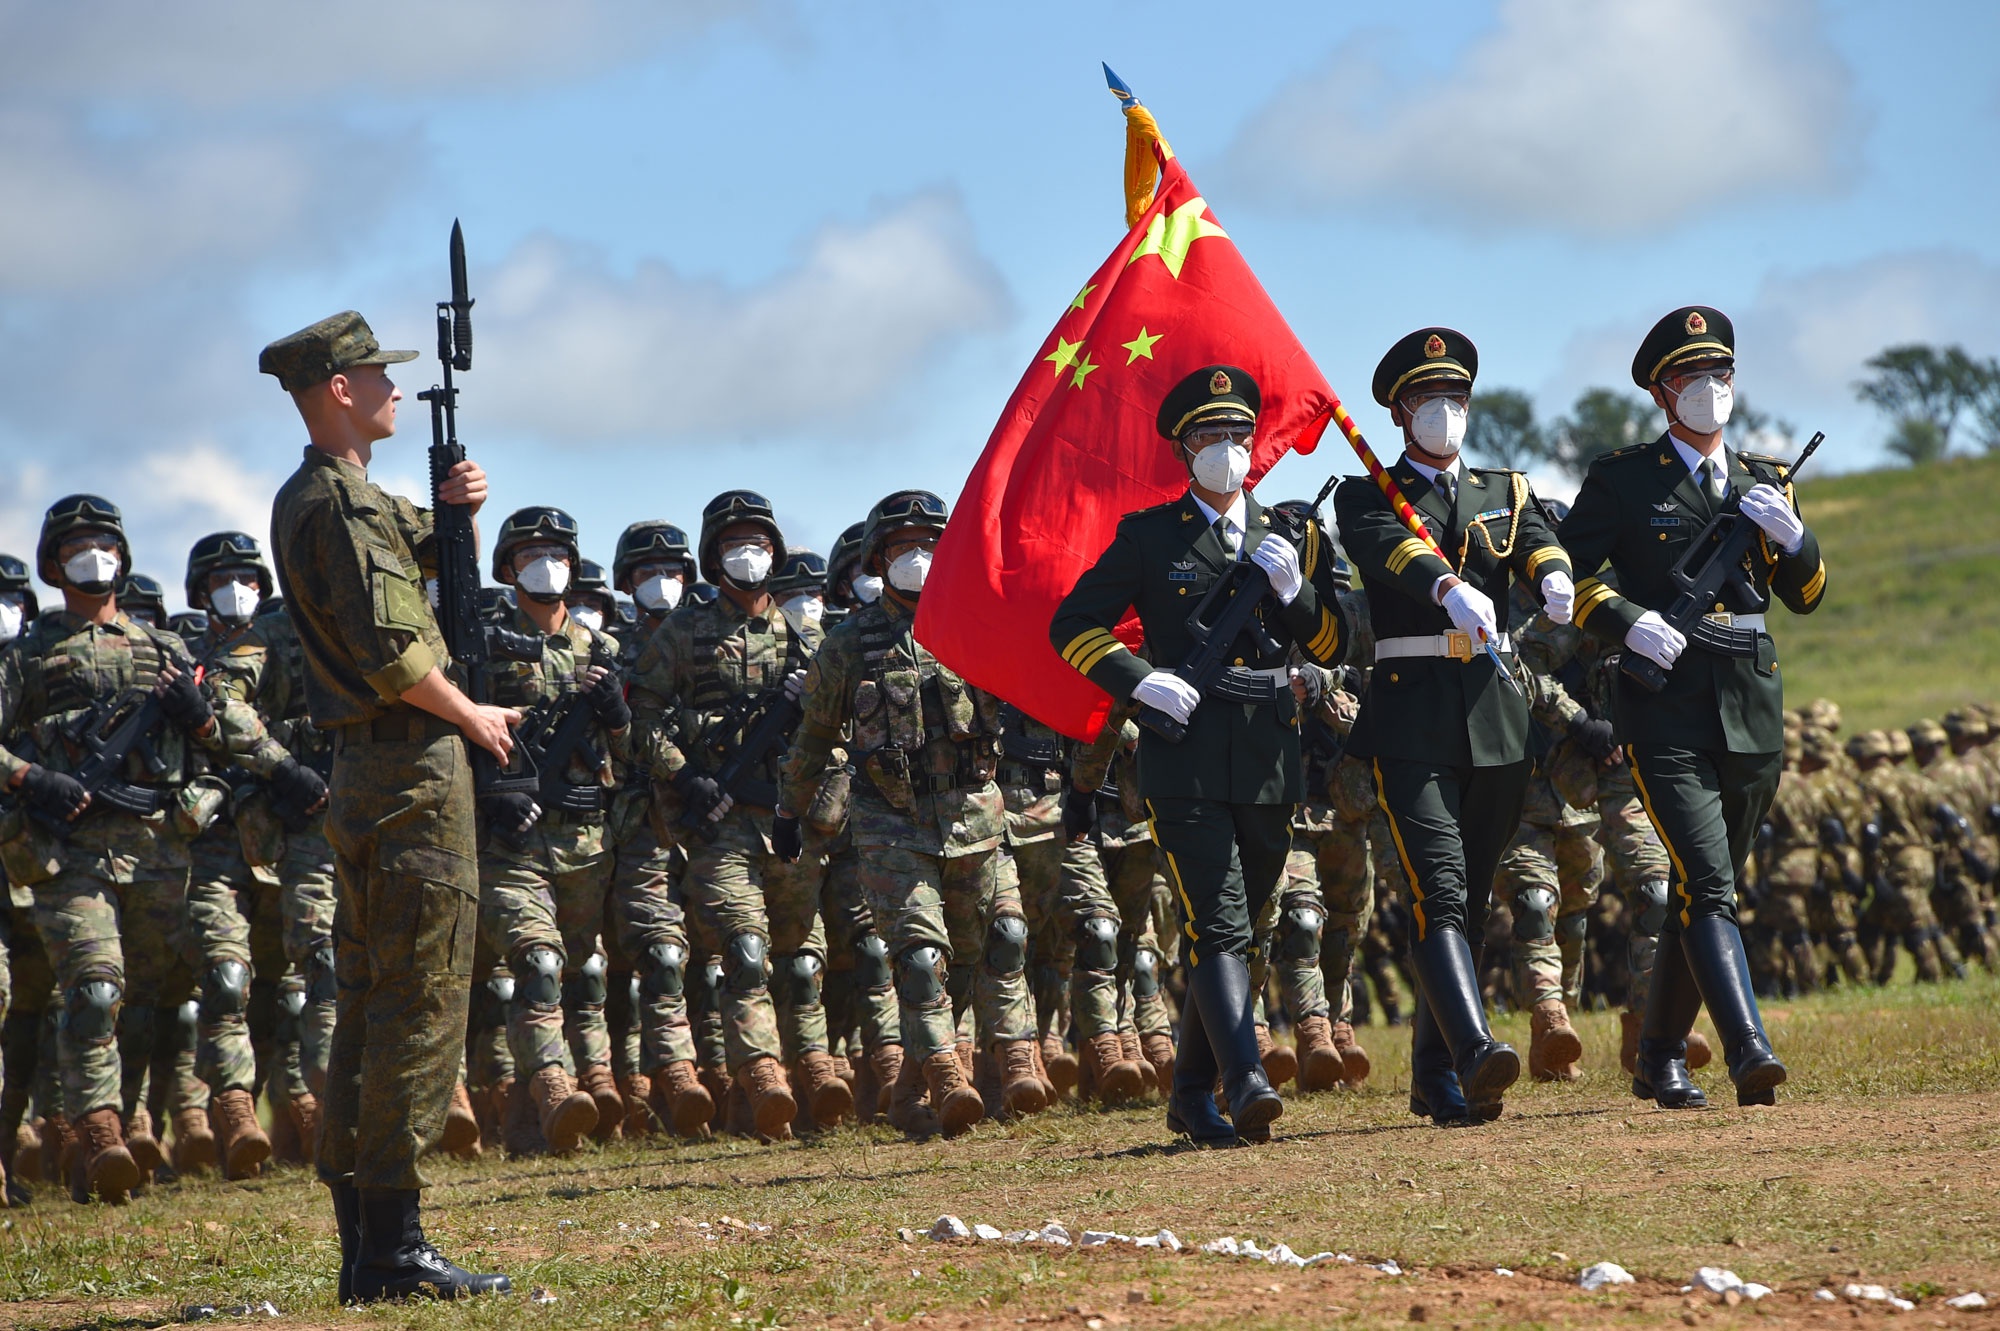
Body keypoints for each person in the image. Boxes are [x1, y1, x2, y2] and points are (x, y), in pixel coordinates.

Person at [263, 310, 512, 1301]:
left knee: (370, 1002)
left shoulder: (337, 495)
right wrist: (474, 715)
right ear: (337, 389)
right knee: (417, 999)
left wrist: (464, 506)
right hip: (408, 766)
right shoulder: (336, 503)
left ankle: (367, 1246)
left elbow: (429, 553)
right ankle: (394, 1245)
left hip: (370, 767)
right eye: (376, 375)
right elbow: (394, 649)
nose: (393, 389)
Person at [1051, 365, 1354, 1145]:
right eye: (1209, 436)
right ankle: (1246, 1073)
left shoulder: (1290, 538)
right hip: (1181, 760)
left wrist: (1299, 595)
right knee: (1216, 923)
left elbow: (1340, 642)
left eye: (1236, 435)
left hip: (1267, 757)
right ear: (1183, 449)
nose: (1225, 448)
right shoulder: (1150, 537)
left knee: (1245, 926)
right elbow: (1074, 623)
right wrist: (1140, 680)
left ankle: (1189, 1094)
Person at [1560, 306, 1827, 1109]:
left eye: (1722, 375)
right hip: (1664, 703)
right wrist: (1628, 620)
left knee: (1698, 882)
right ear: (1662, 392)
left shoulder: (1762, 478)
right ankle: (1749, 1049)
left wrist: (1798, 539)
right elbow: (1565, 574)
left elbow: (1807, 597)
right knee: (1709, 882)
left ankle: (1660, 1053)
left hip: (1750, 696)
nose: (1712, 390)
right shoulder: (1623, 479)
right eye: (1694, 378)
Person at [0, 495, 298, 1202]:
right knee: (93, 990)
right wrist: (29, 776)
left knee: (141, 1006)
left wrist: (278, 764)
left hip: (159, 849)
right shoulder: (28, 656)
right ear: (53, 562)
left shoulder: (164, 651)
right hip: (69, 848)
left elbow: (227, 724)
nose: (92, 556)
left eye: (103, 543)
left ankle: (114, 1129)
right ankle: (98, 1132)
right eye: (76, 545)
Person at [1333, 329, 1572, 1127]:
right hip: (1412, 717)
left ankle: (1436, 1079)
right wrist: (1444, 588)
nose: (1445, 410)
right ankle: (1475, 1050)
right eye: (1428, 398)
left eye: (1457, 397)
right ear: (1399, 411)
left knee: (1466, 901)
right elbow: (1387, 550)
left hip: (1494, 719)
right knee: (1438, 890)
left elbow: (1534, 541)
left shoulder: (1505, 486)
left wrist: (1553, 574)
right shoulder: (1364, 491)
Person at [776, 490, 1045, 1139]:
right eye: (903, 548)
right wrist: (791, 808)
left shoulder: (981, 622)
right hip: (891, 821)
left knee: (1001, 941)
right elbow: (813, 737)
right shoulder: (847, 644)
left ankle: (979, 1071)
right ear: (878, 558)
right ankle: (950, 1076)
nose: (917, 558)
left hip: (976, 812)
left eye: (929, 543)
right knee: (922, 958)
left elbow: (1035, 693)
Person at [627, 491, 846, 1140]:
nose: (747, 555)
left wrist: (821, 808)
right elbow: (638, 717)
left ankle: (817, 1076)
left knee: (801, 960)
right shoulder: (684, 633)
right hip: (718, 823)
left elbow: (836, 733)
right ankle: (763, 1080)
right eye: (732, 543)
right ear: (713, 556)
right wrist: (684, 775)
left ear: (775, 553)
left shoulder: (806, 639)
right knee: (745, 952)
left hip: (786, 818)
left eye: (757, 542)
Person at [474, 506, 635, 1155]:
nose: (548, 564)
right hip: (510, 845)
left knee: (580, 971)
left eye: (558, 552)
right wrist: (493, 794)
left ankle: (530, 1117)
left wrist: (618, 717)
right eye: (531, 553)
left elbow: (635, 760)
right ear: (507, 568)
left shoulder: (604, 652)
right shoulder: (479, 645)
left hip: (583, 843)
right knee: (535, 963)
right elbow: (454, 737)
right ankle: (551, 1088)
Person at [179, 531, 339, 1178]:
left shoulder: (308, 642)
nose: (234, 589)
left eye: (246, 576)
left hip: (300, 831)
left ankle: (317, 1107)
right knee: (226, 979)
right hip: (218, 837)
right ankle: (235, 1113)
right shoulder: (176, 656)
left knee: (308, 978)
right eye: (220, 578)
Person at [605, 520, 708, 1136]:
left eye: (672, 572)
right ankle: (663, 1079)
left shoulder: (708, 643)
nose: (662, 584)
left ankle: (731, 1082)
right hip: (633, 824)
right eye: (647, 574)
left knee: (717, 959)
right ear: (625, 583)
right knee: (652, 956)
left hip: (705, 821)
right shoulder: (605, 651)